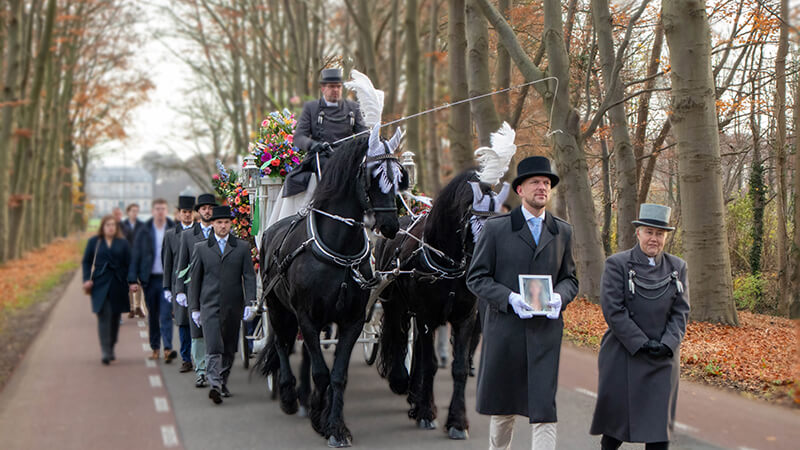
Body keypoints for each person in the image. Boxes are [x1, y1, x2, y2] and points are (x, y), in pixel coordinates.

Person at [466, 156, 579, 450]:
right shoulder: (496, 229)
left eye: (546, 183)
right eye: (535, 183)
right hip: (506, 332)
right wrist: (510, 298)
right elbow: (476, 278)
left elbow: (571, 280)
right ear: (520, 190)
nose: (542, 187)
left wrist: (559, 297)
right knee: (504, 409)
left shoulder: (563, 231)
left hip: (545, 334)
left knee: (544, 411)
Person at [590, 204, 690, 450]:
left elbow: (682, 311)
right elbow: (613, 310)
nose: (654, 239)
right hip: (624, 353)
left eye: (659, 234)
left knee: (658, 429)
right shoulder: (617, 264)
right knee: (616, 426)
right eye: (649, 232)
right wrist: (641, 343)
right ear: (638, 233)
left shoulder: (678, 267)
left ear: (665, 236)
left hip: (663, 358)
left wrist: (667, 343)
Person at [269, 67, 368, 224]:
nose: (335, 90)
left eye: (338, 86)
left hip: (346, 159)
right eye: (331, 86)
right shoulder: (311, 108)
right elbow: (299, 137)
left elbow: (364, 135)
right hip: (320, 157)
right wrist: (312, 145)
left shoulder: (353, 108)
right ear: (323, 88)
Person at [187, 205, 256, 404]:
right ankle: (214, 385)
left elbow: (249, 276)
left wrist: (250, 302)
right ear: (213, 224)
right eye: (219, 222)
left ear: (231, 224)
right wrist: (194, 308)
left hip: (233, 305)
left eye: (226, 222)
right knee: (214, 345)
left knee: (228, 346)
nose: (223, 226)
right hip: (209, 305)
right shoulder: (201, 248)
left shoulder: (241, 247)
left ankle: (223, 381)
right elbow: (195, 281)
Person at [174, 193, 217, 387]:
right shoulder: (188, 235)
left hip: (217, 289)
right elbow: (181, 263)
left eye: (210, 208)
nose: (207, 211)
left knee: (216, 332)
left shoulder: (223, 232)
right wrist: (179, 290)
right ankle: (200, 370)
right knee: (197, 331)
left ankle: (216, 371)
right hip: (195, 289)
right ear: (198, 211)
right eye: (204, 208)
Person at [129, 199, 176, 362]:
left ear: (167, 210)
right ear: (152, 211)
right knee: (153, 315)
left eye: (163, 208)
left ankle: (168, 348)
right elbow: (135, 255)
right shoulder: (143, 230)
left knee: (165, 314)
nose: (160, 212)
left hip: (167, 279)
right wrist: (132, 280)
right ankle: (155, 347)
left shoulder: (173, 228)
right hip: (149, 279)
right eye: (157, 209)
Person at [82, 215, 132, 365]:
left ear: (116, 228)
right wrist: (86, 279)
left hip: (118, 283)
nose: (110, 227)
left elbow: (130, 263)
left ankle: (111, 345)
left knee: (115, 318)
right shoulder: (94, 242)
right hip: (100, 283)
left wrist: (132, 281)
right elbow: (86, 261)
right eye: (107, 225)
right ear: (102, 227)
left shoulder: (123, 243)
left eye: (113, 225)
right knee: (104, 316)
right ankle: (105, 350)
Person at [163, 195, 197, 373]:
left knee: (198, 321)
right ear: (178, 214)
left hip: (198, 283)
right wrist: (167, 287)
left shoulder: (201, 232)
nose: (187, 215)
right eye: (184, 212)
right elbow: (167, 262)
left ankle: (199, 357)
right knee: (183, 322)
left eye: (190, 212)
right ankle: (186, 358)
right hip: (179, 284)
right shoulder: (170, 235)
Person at [121, 203, 145, 318]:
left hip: (139, 257)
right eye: (133, 211)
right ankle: (130, 307)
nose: (135, 213)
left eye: (136, 211)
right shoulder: (122, 225)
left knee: (139, 282)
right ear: (128, 212)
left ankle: (138, 306)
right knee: (129, 282)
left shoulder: (142, 225)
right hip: (127, 258)